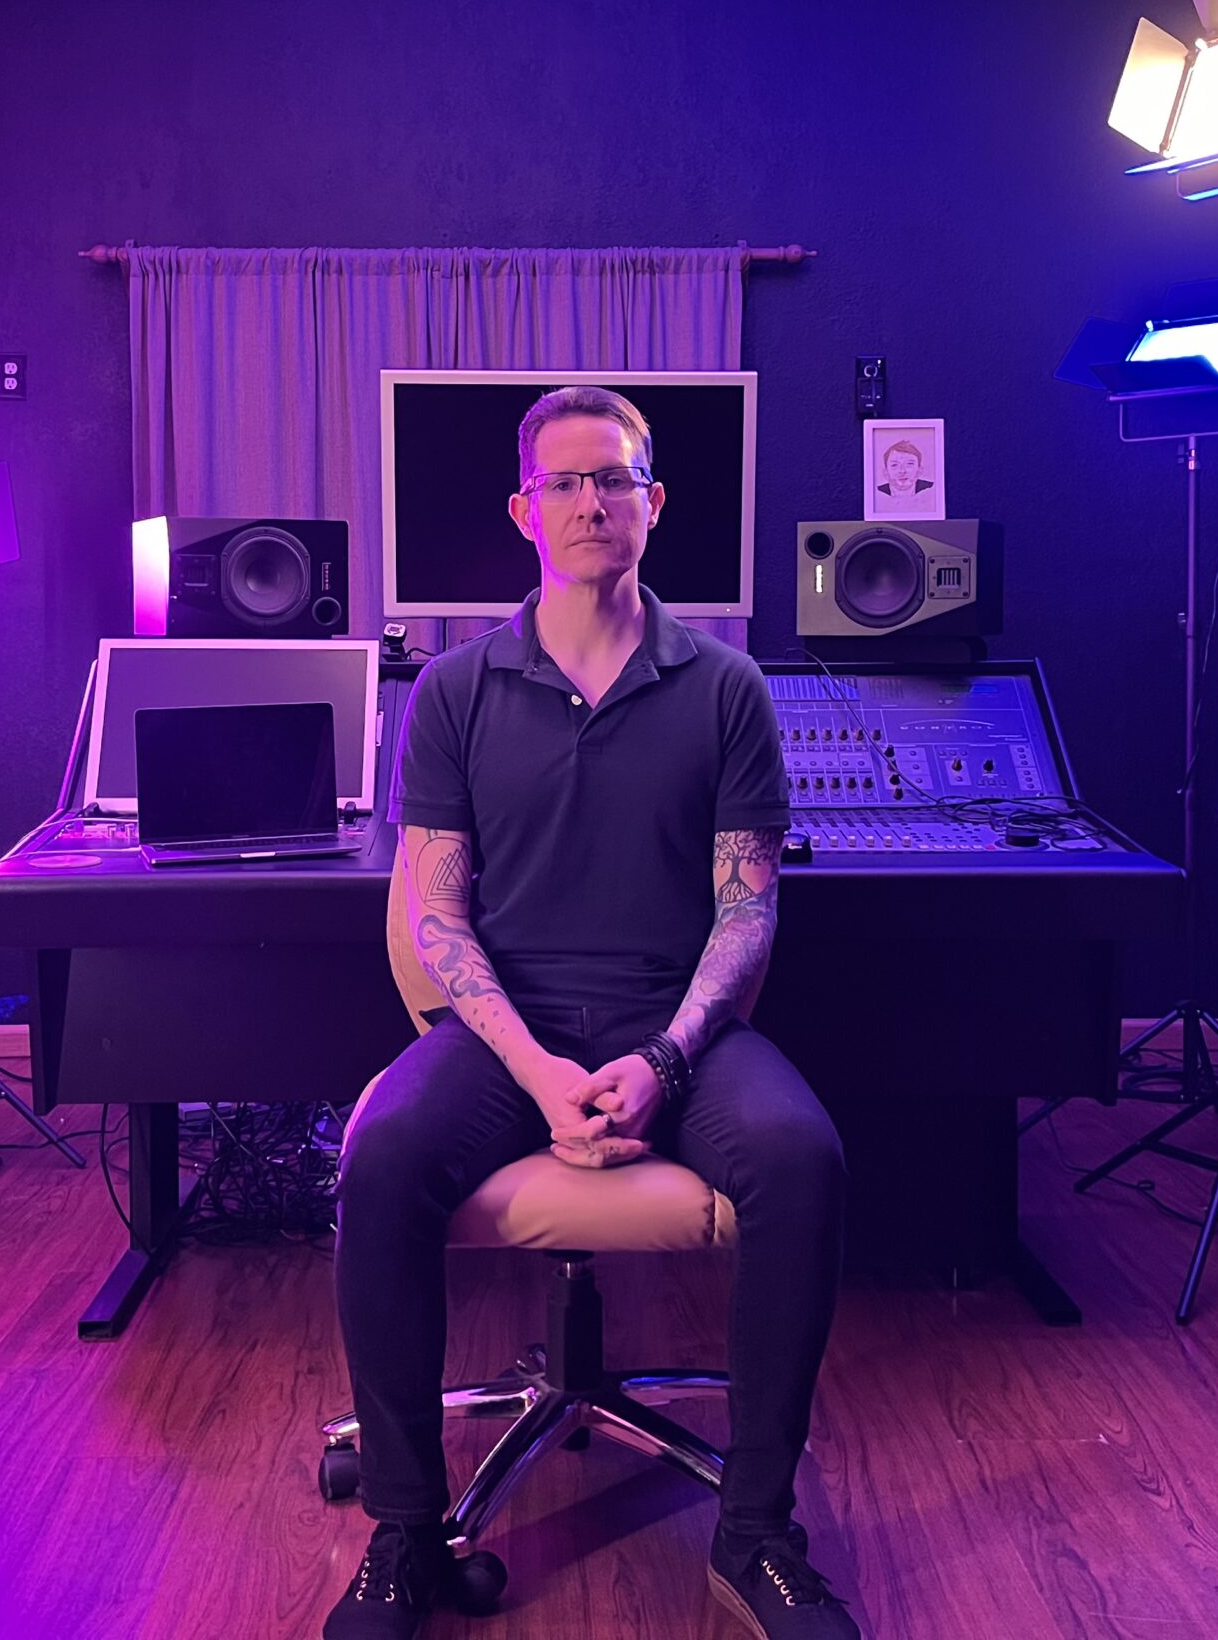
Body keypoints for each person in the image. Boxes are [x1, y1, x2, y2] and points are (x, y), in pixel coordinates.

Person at [326, 384, 857, 1638]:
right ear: (523, 511)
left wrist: (664, 1059)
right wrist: (538, 1069)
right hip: (506, 1029)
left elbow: (745, 910)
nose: (588, 503)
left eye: (612, 479)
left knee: (801, 1156)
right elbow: (437, 917)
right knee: (384, 1153)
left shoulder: (726, 688)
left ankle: (755, 1531)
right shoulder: (451, 690)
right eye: (562, 483)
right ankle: (408, 1535)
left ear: (652, 503)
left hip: (676, 1027)